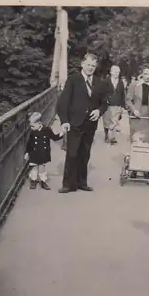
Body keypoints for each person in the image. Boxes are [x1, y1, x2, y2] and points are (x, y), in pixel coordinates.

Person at [56, 53, 108, 193]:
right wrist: (64, 121)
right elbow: (63, 102)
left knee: (85, 154)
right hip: (74, 123)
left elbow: (104, 103)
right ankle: (68, 184)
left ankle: (82, 182)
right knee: (72, 153)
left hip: (90, 124)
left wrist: (99, 111)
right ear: (82, 65)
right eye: (88, 65)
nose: (90, 68)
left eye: (93, 65)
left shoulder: (99, 82)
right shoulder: (73, 80)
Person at [126, 65, 149, 178]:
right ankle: (134, 168)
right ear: (142, 74)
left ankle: (146, 168)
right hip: (137, 116)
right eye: (145, 74)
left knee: (147, 142)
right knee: (135, 141)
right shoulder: (134, 85)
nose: (147, 76)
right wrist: (134, 110)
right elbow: (128, 100)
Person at [24, 112, 64, 190]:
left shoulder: (47, 130)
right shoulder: (33, 132)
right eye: (31, 126)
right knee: (34, 167)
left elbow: (54, 137)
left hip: (43, 152)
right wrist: (27, 152)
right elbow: (29, 143)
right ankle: (33, 180)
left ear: (39, 123)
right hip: (34, 152)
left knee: (42, 167)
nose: (31, 128)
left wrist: (62, 133)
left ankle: (43, 181)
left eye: (33, 126)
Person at [102, 65, 126, 145]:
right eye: (115, 72)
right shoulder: (106, 81)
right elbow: (102, 93)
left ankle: (111, 138)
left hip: (117, 104)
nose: (117, 74)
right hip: (108, 105)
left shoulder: (120, 82)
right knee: (107, 121)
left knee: (114, 122)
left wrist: (123, 106)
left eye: (118, 72)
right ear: (111, 72)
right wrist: (106, 100)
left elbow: (123, 94)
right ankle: (107, 135)